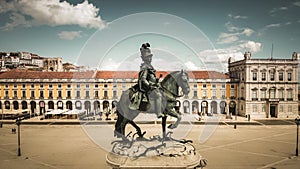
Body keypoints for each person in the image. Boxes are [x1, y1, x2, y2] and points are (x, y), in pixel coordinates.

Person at [129, 43, 164, 118]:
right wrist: (149, 86)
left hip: (152, 86)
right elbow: (143, 79)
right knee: (158, 95)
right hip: (147, 88)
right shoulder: (145, 67)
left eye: (151, 57)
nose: (150, 59)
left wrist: (157, 80)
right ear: (145, 58)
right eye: (148, 57)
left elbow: (150, 78)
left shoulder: (150, 66)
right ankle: (158, 113)